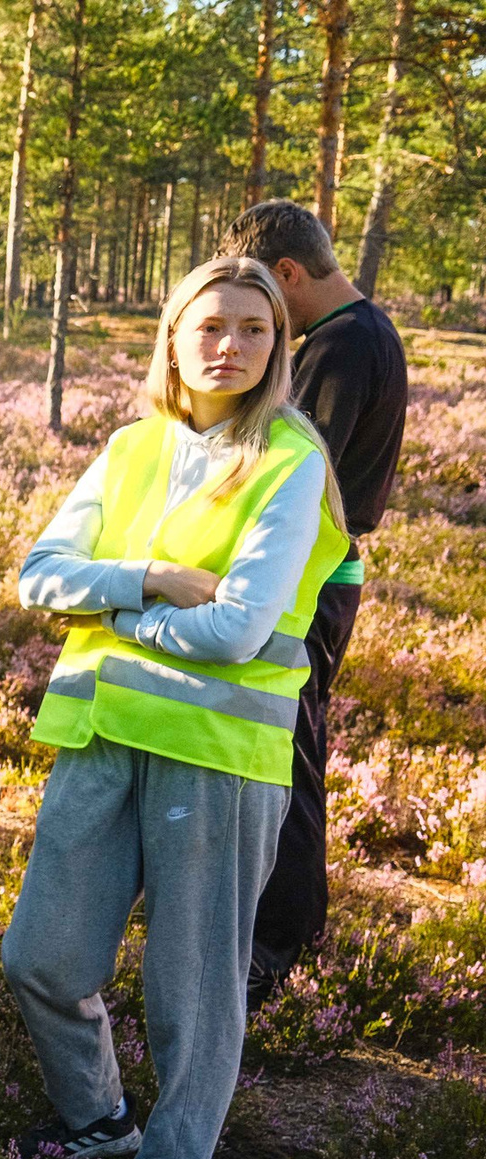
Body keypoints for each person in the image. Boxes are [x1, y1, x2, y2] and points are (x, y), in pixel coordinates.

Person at [3, 256, 349, 1159]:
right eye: (211, 326)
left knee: (190, 994)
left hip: (215, 752)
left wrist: (109, 606)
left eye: (254, 329)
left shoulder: (289, 459)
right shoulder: (129, 449)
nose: (230, 346)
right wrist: (149, 578)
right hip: (103, 733)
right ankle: (99, 1122)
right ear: (172, 336)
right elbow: (37, 576)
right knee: (42, 959)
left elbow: (236, 631)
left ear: (278, 346)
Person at [216, 201, 409, 1009]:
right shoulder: (367, 332)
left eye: (265, 295)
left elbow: (301, 478)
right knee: (287, 746)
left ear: (290, 274)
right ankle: (282, 927)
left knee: (287, 752)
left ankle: (279, 940)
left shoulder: (338, 347)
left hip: (310, 577)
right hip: (316, 574)